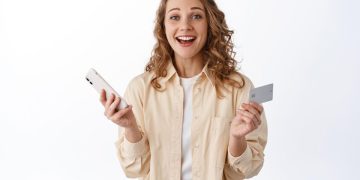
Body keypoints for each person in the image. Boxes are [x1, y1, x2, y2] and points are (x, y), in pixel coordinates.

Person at [99, 0, 267, 179]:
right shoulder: (140, 89)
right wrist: (131, 128)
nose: (185, 26)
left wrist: (236, 138)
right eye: (174, 17)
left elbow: (248, 170)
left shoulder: (239, 88)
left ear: (210, 23)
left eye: (196, 16)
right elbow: (135, 170)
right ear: (163, 26)